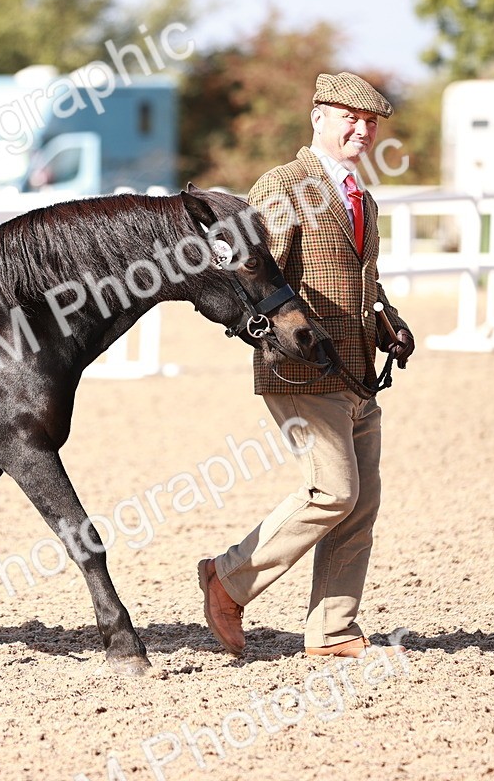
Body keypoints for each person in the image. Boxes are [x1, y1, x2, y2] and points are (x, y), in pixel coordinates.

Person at [198, 72, 414, 659]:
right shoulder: (286, 185)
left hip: (358, 372)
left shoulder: (361, 198)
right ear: (318, 116)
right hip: (301, 370)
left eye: (370, 121)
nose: (362, 129)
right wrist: (275, 340)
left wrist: (387, 319)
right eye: (350, 116)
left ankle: (334, 629)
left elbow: (361, 282)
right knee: (333, 491)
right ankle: (227, 578)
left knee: (360, 503)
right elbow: (253, 273)